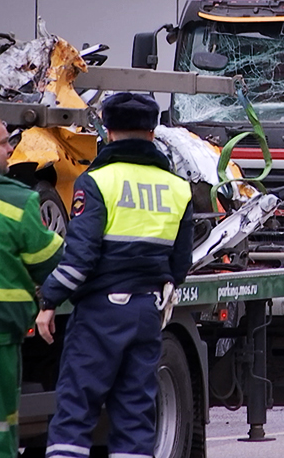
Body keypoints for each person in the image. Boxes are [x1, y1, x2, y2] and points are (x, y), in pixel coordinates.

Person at [36, 93, 194, 458]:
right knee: (136, 415)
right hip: (147, 313)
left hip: (100, 315)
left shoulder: (96, 182)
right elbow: (180, 265)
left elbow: (79, 259)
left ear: (107, 131)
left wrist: (49, 300)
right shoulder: (177, 188)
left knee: (76, 413)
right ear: (153, 134)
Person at [0, 119, 64, 458]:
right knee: (3, 426)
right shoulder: (16, 202)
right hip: (3, 336)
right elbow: (52, 261)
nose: (11, 148)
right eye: (2, 143)